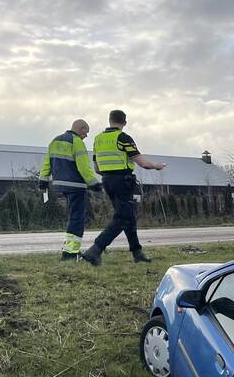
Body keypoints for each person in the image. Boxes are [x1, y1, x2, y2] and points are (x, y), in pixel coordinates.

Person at [81, 110, 167, 265]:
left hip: (107, 180)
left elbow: (97, 168)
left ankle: (137, 252)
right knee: (122, 218)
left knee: (129, 216)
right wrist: (157, 166)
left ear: (109, 120)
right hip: (122, 181)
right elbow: (142, 163)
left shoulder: (98, 139)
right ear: (124, 122)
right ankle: (96, 249)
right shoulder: (123, 138)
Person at [38, 120, 102, 260]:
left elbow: (47, 162)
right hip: (76, 186)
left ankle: (68, 250)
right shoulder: (77, 142)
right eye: (86, 132)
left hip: (60, 186)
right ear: (80, 128)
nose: (86, 135)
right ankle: (71, 253)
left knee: (72, 218)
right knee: (77, 219)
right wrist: (94, 184)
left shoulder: (54, 141)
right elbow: (84, 167)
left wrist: (43, 180)